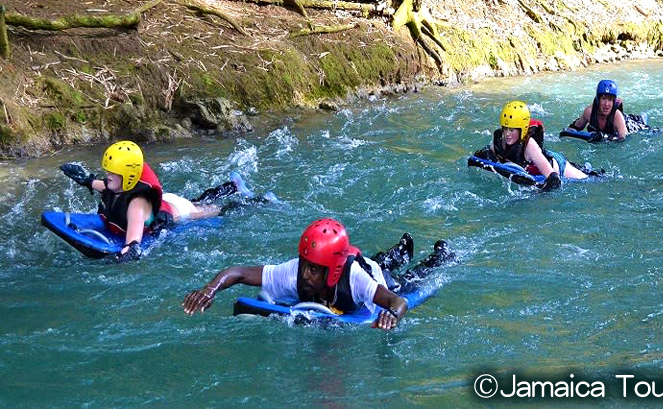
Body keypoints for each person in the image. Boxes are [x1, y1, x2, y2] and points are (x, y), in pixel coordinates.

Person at [182, 218, 453, 331]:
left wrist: (391, 315)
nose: (305, 275)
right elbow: (239, 273)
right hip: (354, 265)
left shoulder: (355, 278)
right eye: (305, 264)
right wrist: (209, 289)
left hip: (372, 277)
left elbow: (398, 302)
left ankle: (439, 256)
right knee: (383, 261)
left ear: (332, 271)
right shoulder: (294, 272)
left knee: (408, 279)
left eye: (313, 269)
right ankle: (400, 250)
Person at [60, 140, 251, 262]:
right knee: (198, 201)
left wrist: (126, 254)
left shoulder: (136, 206)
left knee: (214, 210)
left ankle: (257, 201)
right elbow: (101, 185)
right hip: (167, 202)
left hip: (179, 212)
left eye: (113, 173)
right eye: (108, 171)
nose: (108, 176)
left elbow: (134, 240)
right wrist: (86, 179)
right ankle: (232, 186)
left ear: (128, 177)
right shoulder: (116, 185)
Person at [476, 100, 590, 191]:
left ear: (523, 130)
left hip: (557, 165)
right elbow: (484, 155)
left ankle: (589, 170)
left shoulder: (529, 145)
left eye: (512, 130)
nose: (507, 134)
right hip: (532, 165)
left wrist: (540, 192)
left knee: (588, 180)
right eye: (505, 129)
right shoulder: (499, 139)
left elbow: (553, 178)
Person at [566, 80, 650, 141]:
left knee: (643, 126)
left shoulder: (617, 116)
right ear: (598, 99)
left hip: (629, 125)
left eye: (610, 100)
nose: (606, 104)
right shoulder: (589, 112)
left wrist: (603, 138)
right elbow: (575, 127)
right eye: (604, 98)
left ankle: (641, 118)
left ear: (613, 102)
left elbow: (623, 139)